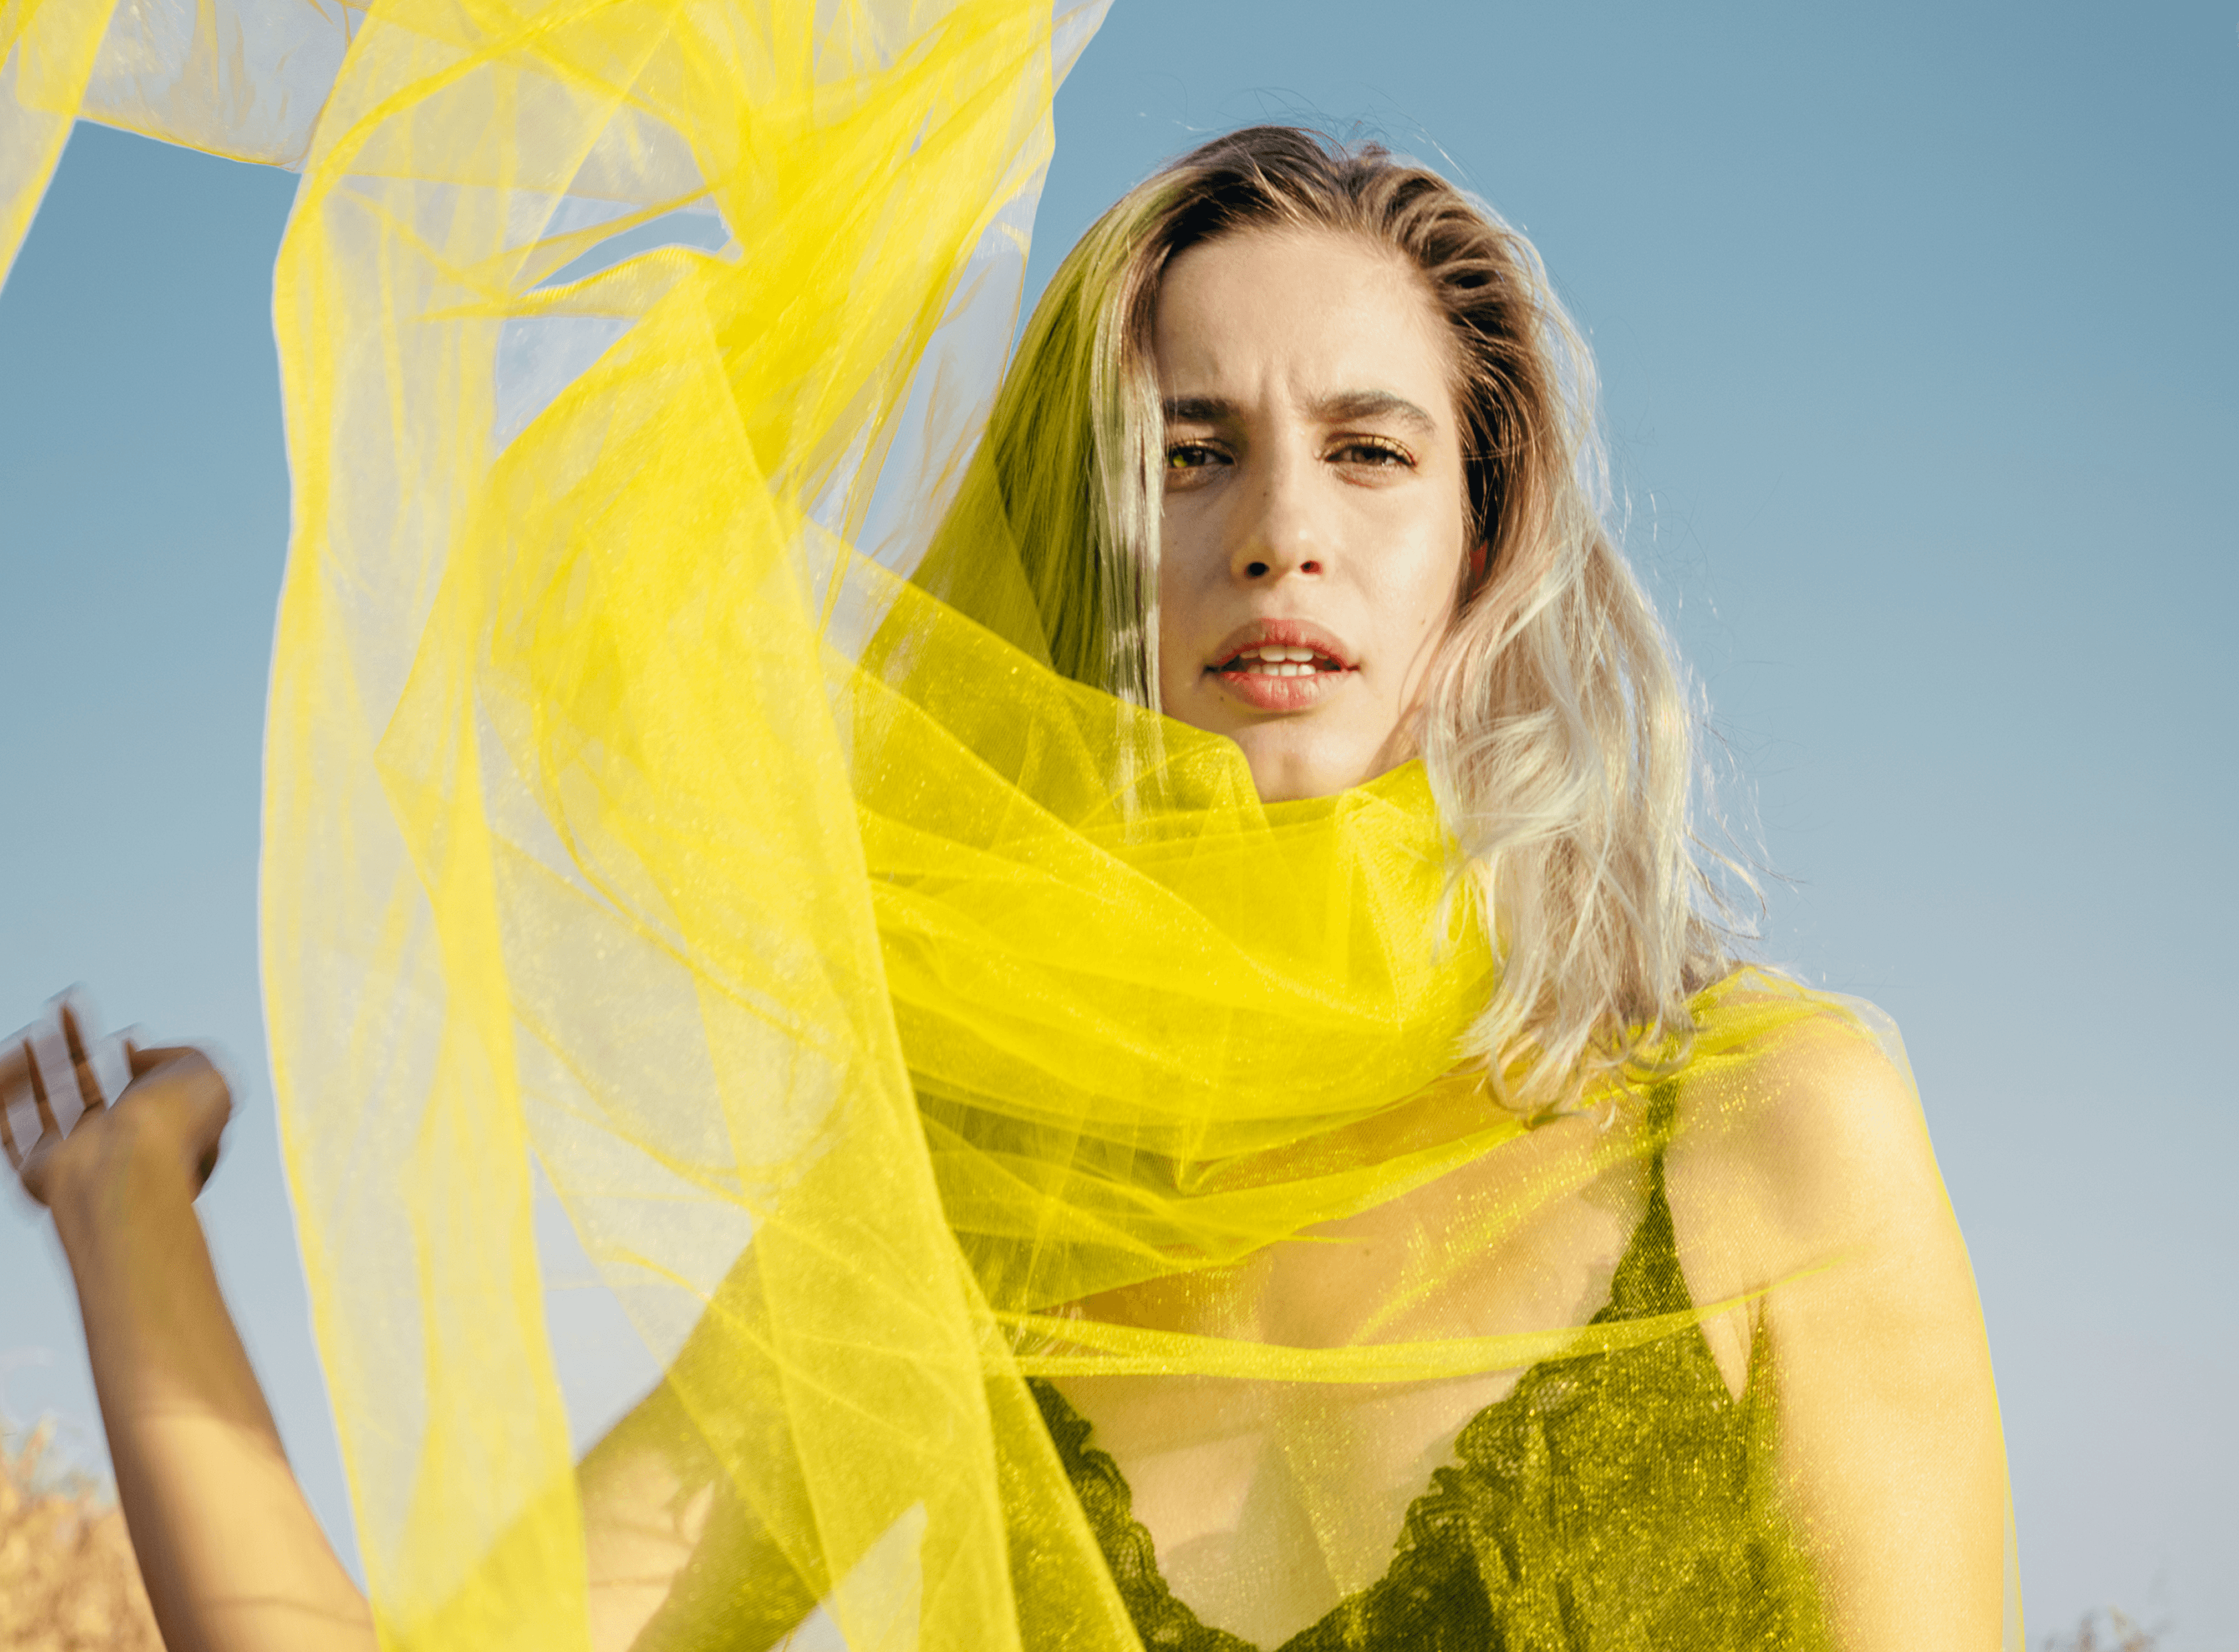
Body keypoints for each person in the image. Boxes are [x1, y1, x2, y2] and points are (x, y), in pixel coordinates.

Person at [1, 18, 2013, 1651]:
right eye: (1189, 451)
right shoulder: (954, 1241)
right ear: (1095, 551)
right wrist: (127, 1219)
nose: (1276, 528)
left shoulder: (1761, 1129)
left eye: (1371, 452)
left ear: (1482, 545)